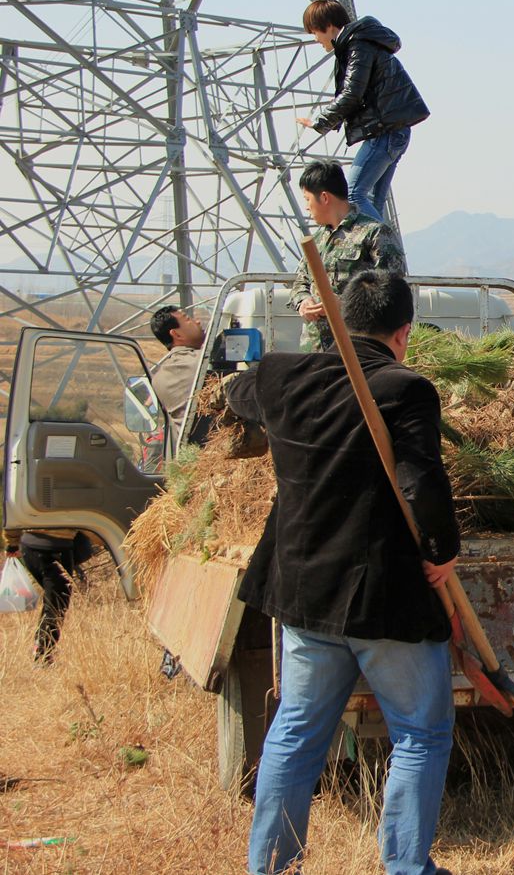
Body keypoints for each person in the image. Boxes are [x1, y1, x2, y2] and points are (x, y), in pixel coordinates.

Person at [227, 270, 459, 875]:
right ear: (403, 332)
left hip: (307, 595)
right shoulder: (404, 388)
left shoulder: (279, 375)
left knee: (296, 737)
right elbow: (423, 483)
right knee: (419, 735)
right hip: (384, 600)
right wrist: (442, 550)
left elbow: (235, 394)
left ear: (335, 321)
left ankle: (272, 867)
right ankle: (407, 868)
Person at [296, 0, 430, 229]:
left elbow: (352, 93)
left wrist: (321, 121)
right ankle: (383, 258)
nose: (315, 39)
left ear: (328, 26)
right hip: (394, 131)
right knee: (372, 203)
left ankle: (382, 249)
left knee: (354, 195)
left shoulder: (357, 45)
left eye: (314, 32)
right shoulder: (361, 42)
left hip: (385, 131)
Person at [288, 159, 407, 352]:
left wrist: (344, 304)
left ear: (324, 197)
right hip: (315, 350)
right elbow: (300, 282)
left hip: (357, 350)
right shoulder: (316, 241)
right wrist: (303, 301)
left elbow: (391, 289)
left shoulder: (374, 233)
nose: (307, 207)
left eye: (307, 199)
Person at [12, 531, 93, 663]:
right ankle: (42, 654)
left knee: (53, 601)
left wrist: (12, 543)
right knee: (57, 604)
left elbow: (13, 516)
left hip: (28, 546)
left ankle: (41, 647)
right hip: (56, 548)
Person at [148, 305, 209, 446]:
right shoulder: (202, 363)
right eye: (188, 319)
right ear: (176, 334)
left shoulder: (159, 378)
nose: (198, 322)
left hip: (192, 457)